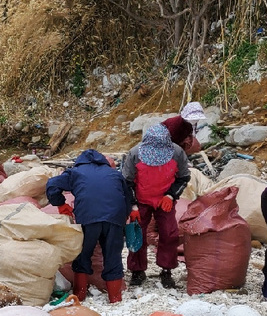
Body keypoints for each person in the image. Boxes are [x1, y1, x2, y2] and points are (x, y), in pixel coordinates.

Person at [46, 150, 133, 303]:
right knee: (113, 256)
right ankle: (115, 298)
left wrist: (60, 204)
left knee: (83, 254)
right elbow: (128, 197)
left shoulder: (75, 172)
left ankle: (80, 295)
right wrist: (123, 219)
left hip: (88, 217)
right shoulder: (114, 174)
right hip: (114, 217)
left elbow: (52, 184)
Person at [121, 123, 191, 288]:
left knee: (170, 233)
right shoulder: (135, 154)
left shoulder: (177, 153)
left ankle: (166, 270)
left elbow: (184, 177)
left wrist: (171, 195)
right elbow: (126, 182)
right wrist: (133, 206)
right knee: (136, 234)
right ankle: (137, 270)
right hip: (141, 199)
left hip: (164, 199)